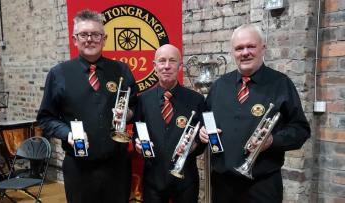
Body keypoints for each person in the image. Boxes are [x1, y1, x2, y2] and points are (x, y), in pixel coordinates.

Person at [199, 24, 311, 203]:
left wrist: (274, 140)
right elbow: (204, 120)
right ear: (233, 52)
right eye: (239, 48)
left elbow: (301, 129)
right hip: (222, 185)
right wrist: (202, 131)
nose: (245, 53)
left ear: (263, 49)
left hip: (262, 186)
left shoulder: (281, 83)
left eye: (251, 46)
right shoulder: (220, 85)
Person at [37, 9, 138, 203]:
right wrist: (68, 133)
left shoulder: (121, 69)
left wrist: (128, 114)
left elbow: (135, 106)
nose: (90, 39)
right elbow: (46, 118)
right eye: (84, 34)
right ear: (75, 39)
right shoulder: (59, 73)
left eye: (95, 34)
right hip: (78, 167)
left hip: (117, 166)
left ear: (104, 38)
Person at [132, 44, 206, 203]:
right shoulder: (143, 100)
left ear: (180, 66)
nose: (166, 66)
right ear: (154, 66)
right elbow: (137, 134)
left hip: (186, 181)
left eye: (172, 61)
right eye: (162, 61)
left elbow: (203, 139)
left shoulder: (197, 100)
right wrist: (138, 145)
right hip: (153, 181)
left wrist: (195, 145)